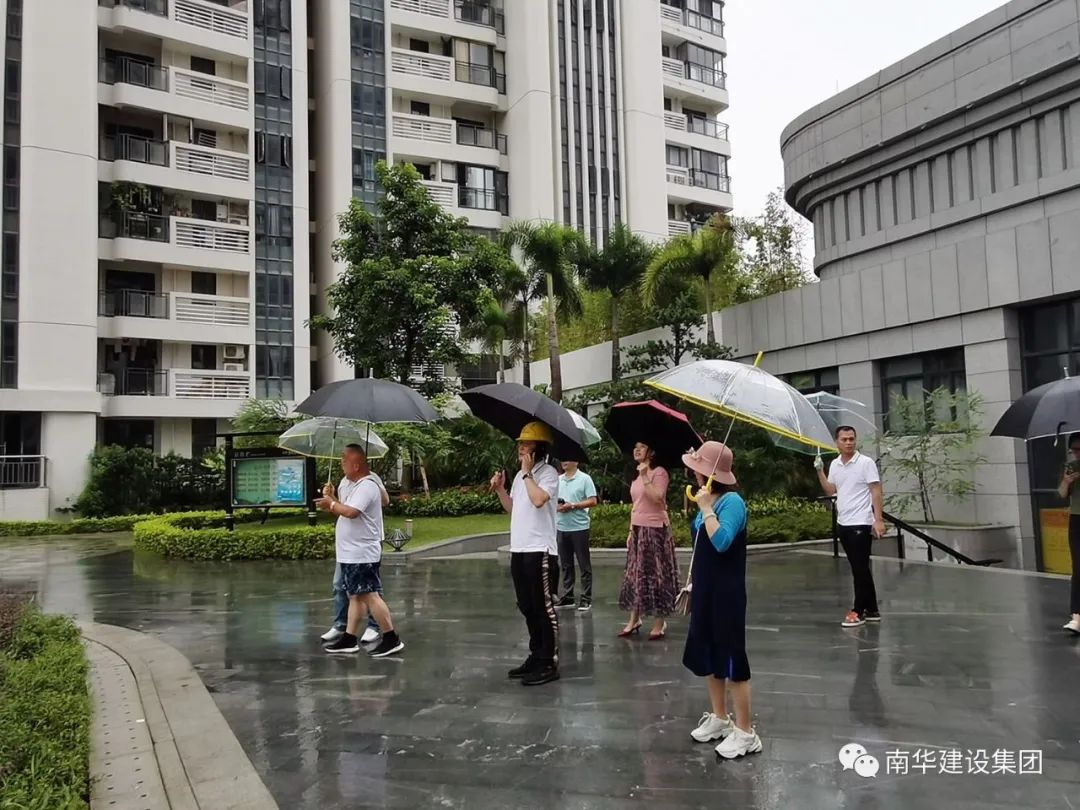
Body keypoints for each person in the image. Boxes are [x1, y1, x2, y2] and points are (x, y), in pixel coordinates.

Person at [682, 441, 762, 760]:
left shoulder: (732, 503)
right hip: (705, 590)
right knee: (709, 652)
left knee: (731, 658)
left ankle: (746, 732)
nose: (693, 472)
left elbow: (722, 541)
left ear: (712, 473)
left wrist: (705, 509)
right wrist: (693, 584)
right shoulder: (709, 498)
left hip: (726, 594)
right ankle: (720, 717)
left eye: (698, 467)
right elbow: (701, 551)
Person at [315, 445, 404, 657]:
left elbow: (352, 512)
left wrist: (331, 504)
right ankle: (349, 638)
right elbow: (345, 509)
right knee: (355, 596)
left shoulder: (368, 486)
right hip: (350, 552)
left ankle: (391, 637)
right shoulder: (353, 485)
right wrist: (333, 499)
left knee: (369, 594)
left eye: (344, 460)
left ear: (356, 465)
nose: (341, 464)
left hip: (361, 552)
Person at [490, 421, 561, 686]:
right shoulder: (522, 476)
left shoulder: (548, 473)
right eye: (520, 443)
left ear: (539, 448)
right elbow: (514, 508)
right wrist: (500, 488)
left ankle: (548, 660)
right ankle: (536, 654)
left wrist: (528, 475)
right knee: (526, 605)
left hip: (540, 549)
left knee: (543, 607)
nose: (520, 447)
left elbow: (539, 500)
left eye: (526, 443)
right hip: (519, 548)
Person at [815, 425, 886, 628]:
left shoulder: (865, 463)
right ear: (837, 442)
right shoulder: (835, 464)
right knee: (859, 567)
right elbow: (831, 490)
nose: (848, 443)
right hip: (843, 522)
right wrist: (820, 471)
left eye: (852, 439)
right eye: (844, 439)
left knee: (859, 568)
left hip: (861, 522)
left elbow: (876, 491)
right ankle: (872, 609)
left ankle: (858, 610)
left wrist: (878, 519)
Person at [618, 442, 679, 640]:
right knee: (636, 575)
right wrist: (630, 530)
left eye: (642, 447)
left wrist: (645, 476)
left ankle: (659, 622)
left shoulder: (659, 473)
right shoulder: (636, 476)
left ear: (651, 452)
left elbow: (658, 498)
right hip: (638, 529)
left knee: (656, 575)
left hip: (655, 530)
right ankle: (634, 619)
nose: (637, 450)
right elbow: (636, 505)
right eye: (635, 446)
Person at [321, 471, 390, 645]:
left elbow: (384, 501)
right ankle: (344, 629)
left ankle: (376, 628)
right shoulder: (344, 481)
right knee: (345, 588)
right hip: (347, 547)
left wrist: (376, 487)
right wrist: (331, 498)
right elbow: (344, 509)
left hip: (364, 544)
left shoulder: (370, 479)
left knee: (370, 590)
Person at [554, 460, 599, 611]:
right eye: (563, 459)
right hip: (561, 527)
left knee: (584, 564)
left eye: (568, 459)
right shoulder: (558, 480)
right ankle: (568, 597)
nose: (564, 462)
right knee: (565, 564)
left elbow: (593, 500)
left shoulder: (585, 479)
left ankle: (586, 598)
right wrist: (558, 506)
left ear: (576, 461)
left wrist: (573, 505)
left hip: (579, 528)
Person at [1057, 432, 1080, 634]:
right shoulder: (1071, 467)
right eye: (1074, 450)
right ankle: (1077, 617)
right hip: (1077, 520)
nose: (1077, 453)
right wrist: (1067, 481)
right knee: (1078, 567)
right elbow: (1062, 494)